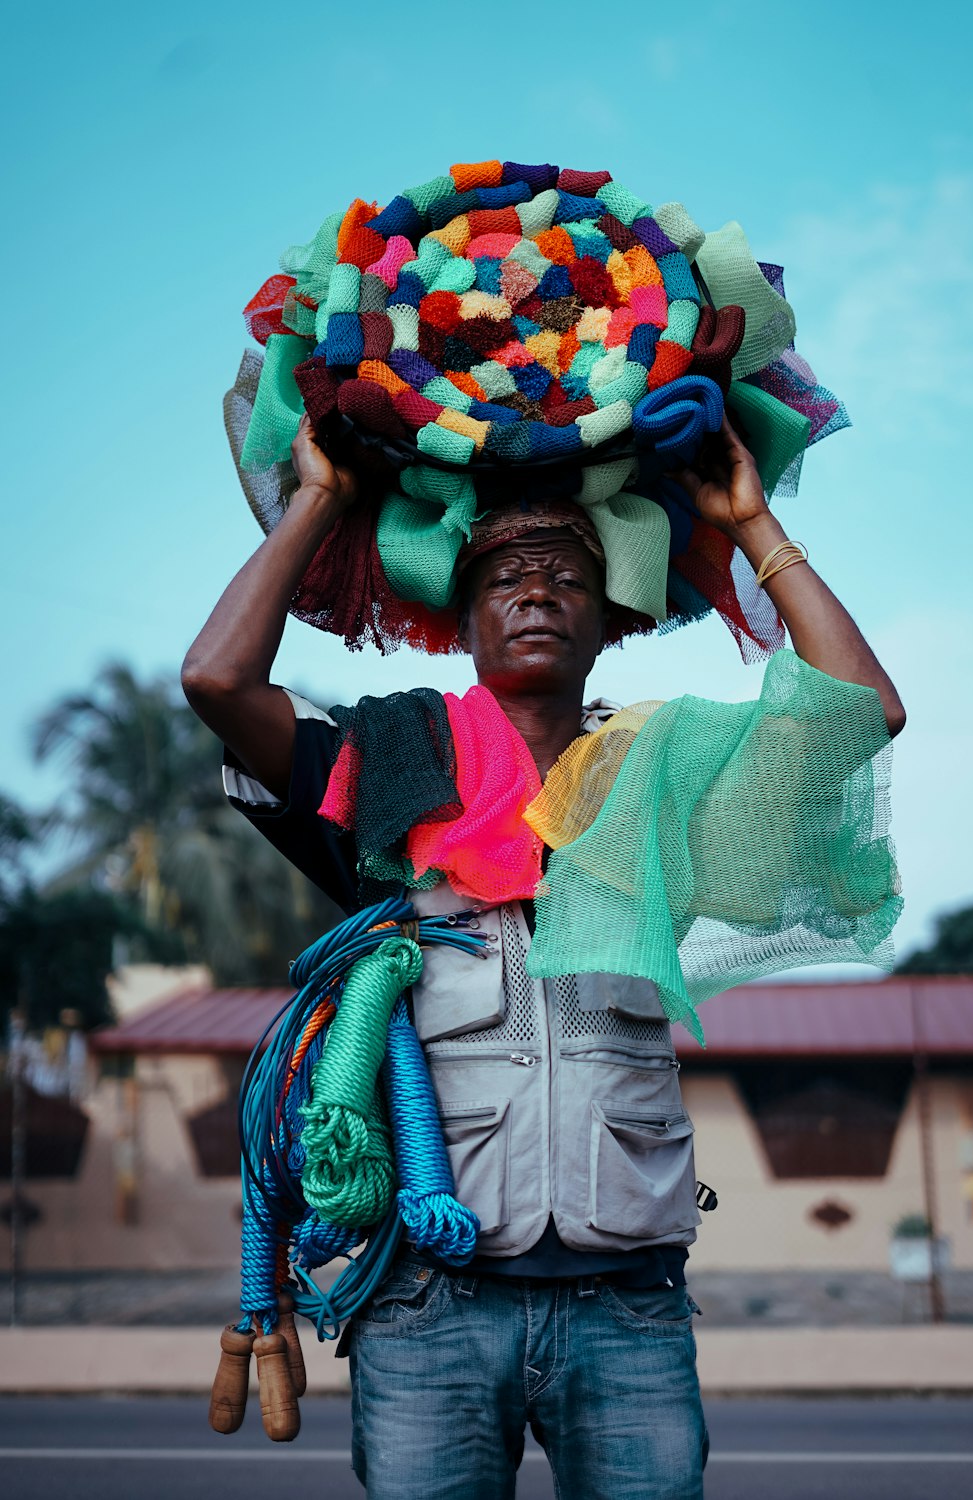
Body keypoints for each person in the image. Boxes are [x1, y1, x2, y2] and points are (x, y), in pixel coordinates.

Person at [182, 398, 905, 1499]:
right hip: (426, 1307)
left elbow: (859, 713)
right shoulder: (386, 768)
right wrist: (318, 498)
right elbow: (217, 683)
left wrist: (753, 525)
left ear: (607, 620)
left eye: (566, 576)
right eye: (503, 577)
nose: (534, 591)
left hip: (627, 1307)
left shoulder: (657, 786)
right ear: (461, 621)